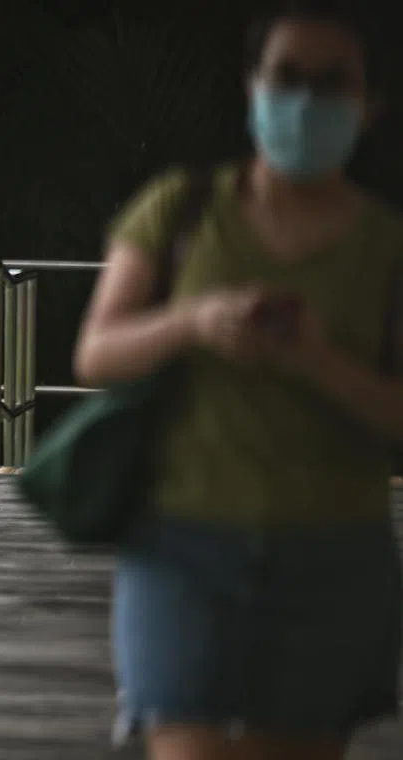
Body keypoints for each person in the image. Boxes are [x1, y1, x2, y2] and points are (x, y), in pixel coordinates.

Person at [73, 3, 402, 760]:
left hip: (331, 559)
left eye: (332, 81)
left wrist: (317, 359)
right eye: (287, 76)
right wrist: (194, 321)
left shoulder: (388, 250)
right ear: (252, 88)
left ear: (369, 105)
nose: (307, 100)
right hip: (181, 550)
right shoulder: (179, 208)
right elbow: (97, 352)